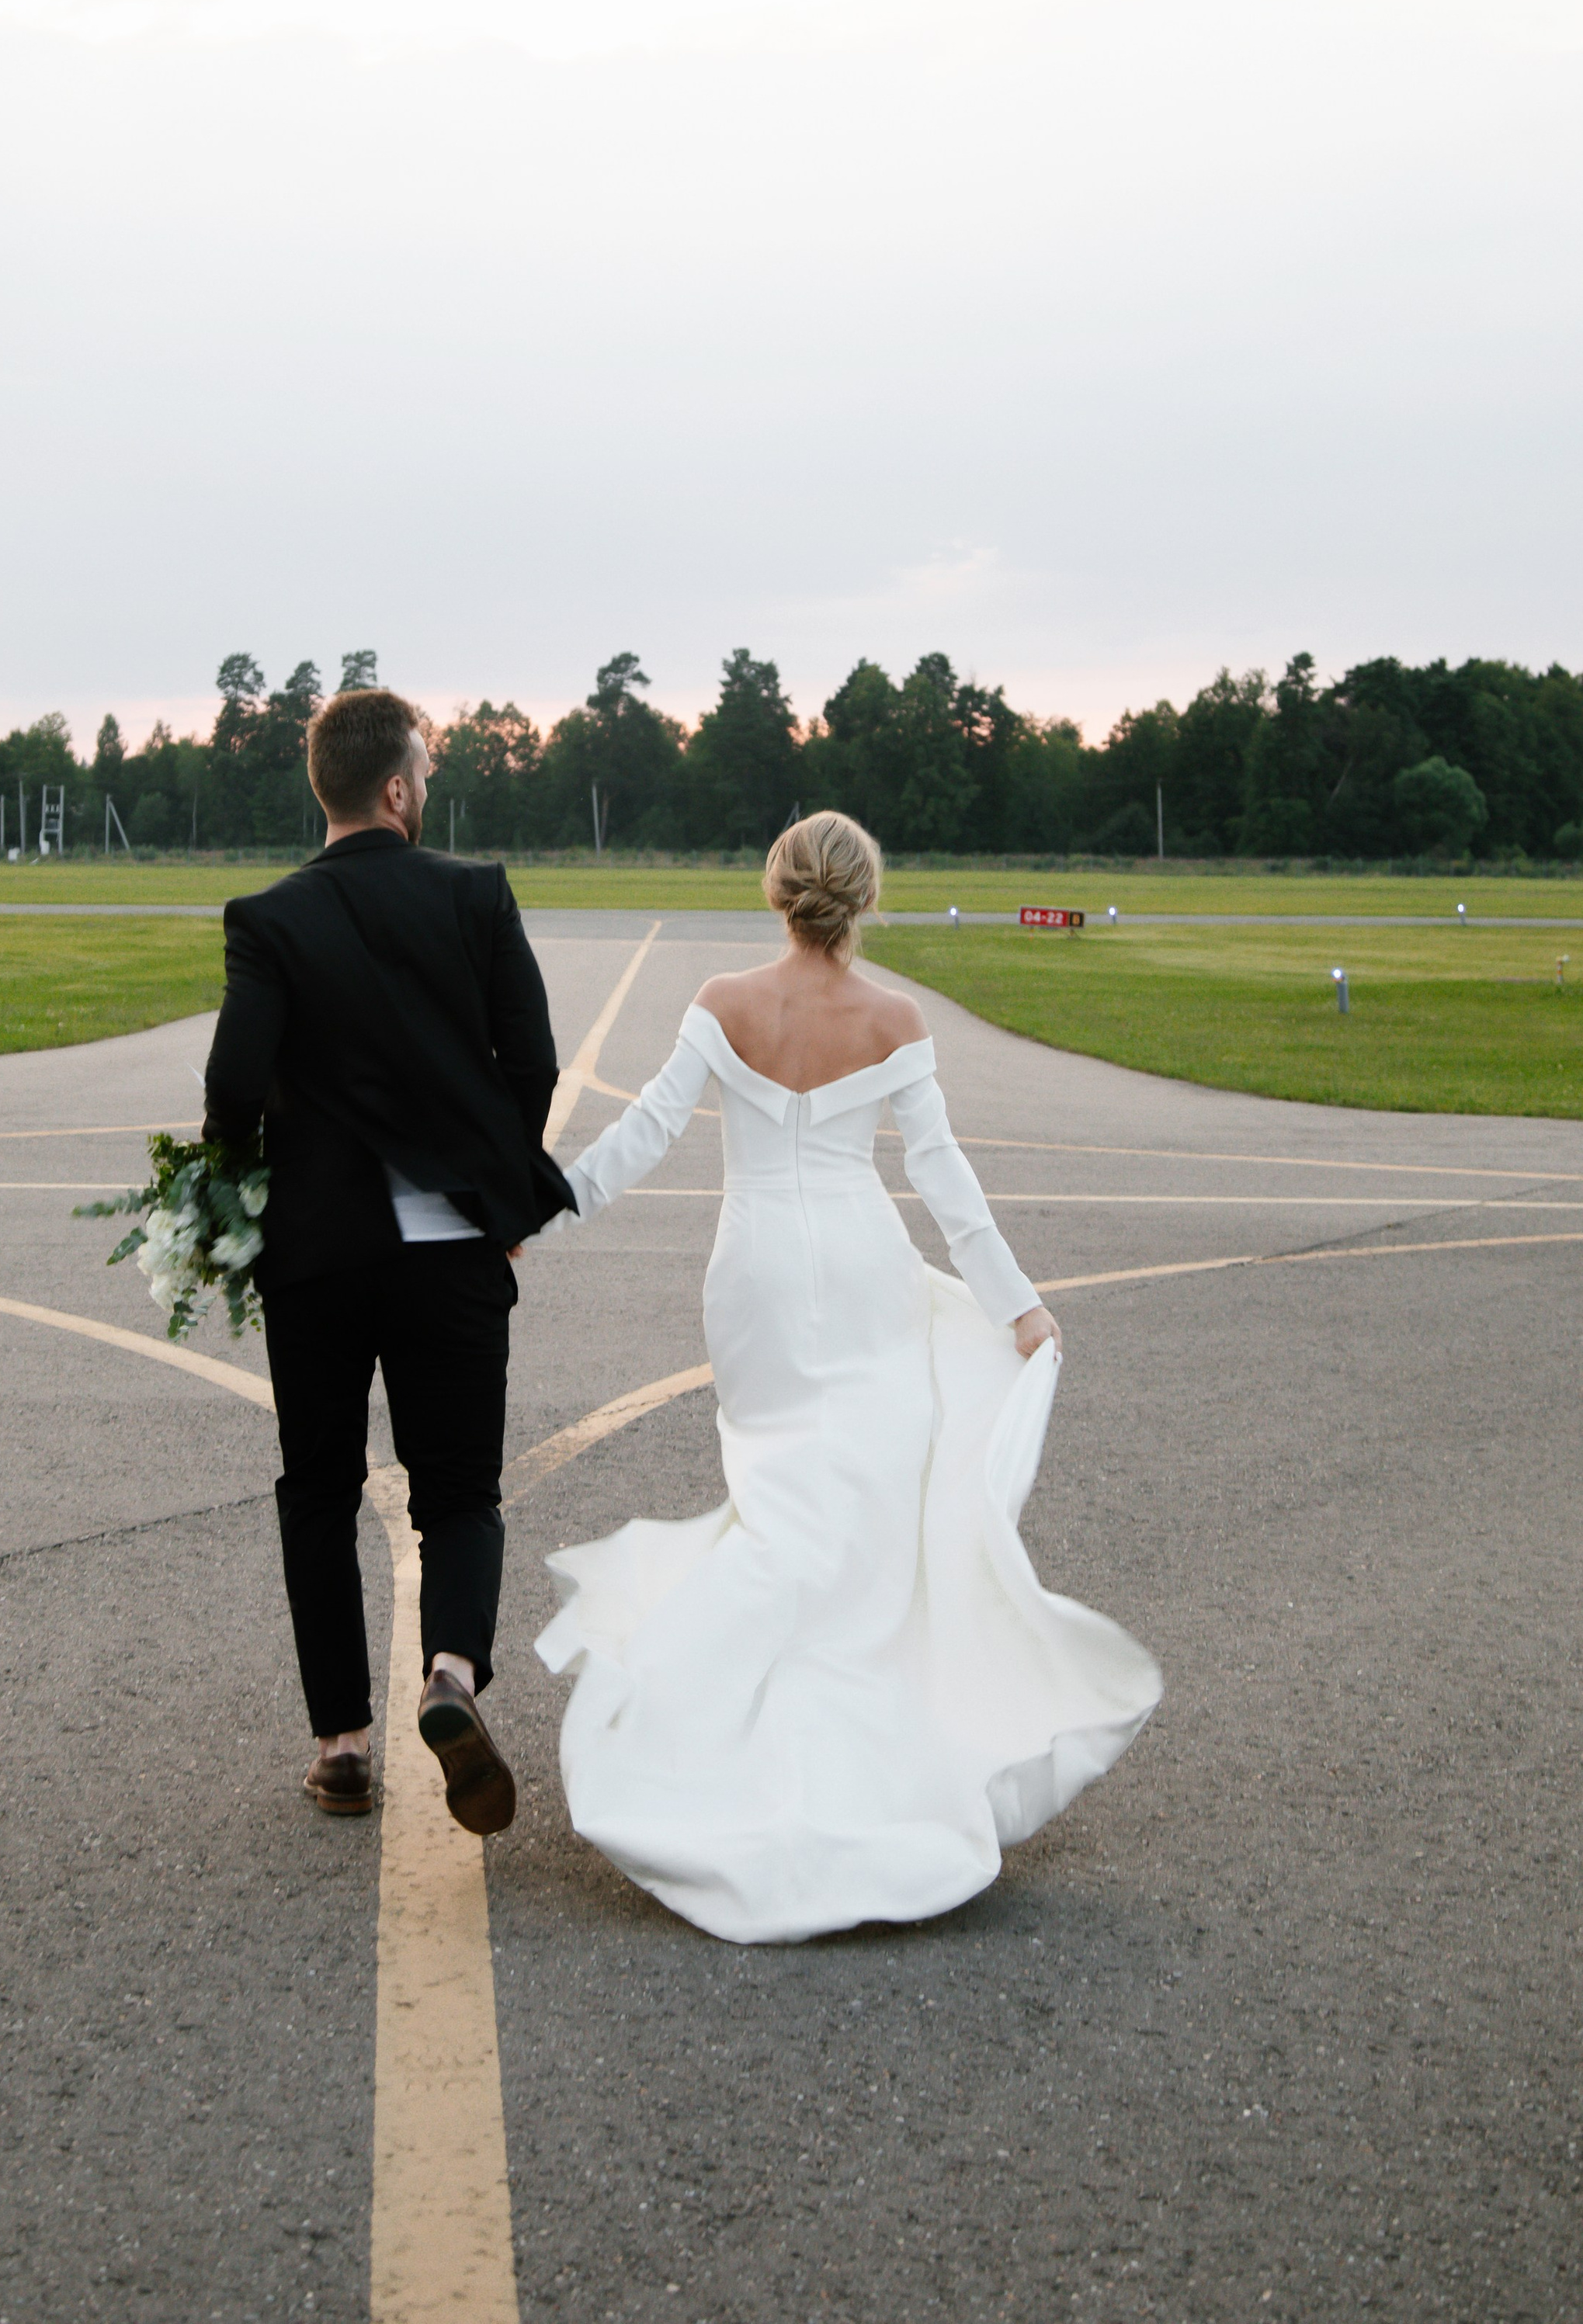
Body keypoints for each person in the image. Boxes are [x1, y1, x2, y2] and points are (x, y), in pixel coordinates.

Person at [535, 810, 1161, 1944]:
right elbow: (942, 1176)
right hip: (864, 1271)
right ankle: (855, 1757)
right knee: (863, 1520)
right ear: (866, 899)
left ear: (777, 893)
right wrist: (1017, 1305)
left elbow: (648, 1131)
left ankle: (705, 1726)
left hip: (760, 1278)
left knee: (786, 1511)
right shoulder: (895, 1017)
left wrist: (547, 1208)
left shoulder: (725, 1001)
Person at [203, 687, 573, 1831]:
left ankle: (343, 1745)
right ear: (401, 789)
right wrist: (502, 1189)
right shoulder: (474, 895)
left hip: (316, 1252)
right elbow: (534, 1059)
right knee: (458, 1493)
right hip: (449, 1248)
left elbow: (231, 1086)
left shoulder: (267, 919)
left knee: (317, 1489)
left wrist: (234, 1199)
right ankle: (452, 1676)